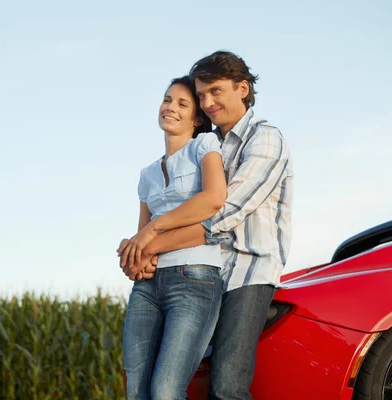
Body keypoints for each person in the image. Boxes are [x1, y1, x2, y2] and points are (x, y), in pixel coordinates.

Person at [119, 51, 294, 400]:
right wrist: (142, 249)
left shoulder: (265, 138)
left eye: (215, 91)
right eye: (201, 96)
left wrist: (149, 241)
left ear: (242, 88)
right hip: (206, 269)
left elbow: (222, 214)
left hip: (247, 271)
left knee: (227, 385)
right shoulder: (207, 144)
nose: (208, 102)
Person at [120, 75, 228, 400]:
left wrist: (152, 233)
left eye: (182, 103)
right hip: (147, 289)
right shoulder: (146, 175)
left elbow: (213, 199)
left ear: (197, 119)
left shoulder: (204, 147)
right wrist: (132, 259)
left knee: (166, 390)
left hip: (195, 279)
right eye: (167, 100)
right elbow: (142, 238)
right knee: (136, 390)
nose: (170, 107)